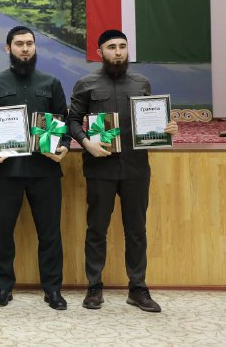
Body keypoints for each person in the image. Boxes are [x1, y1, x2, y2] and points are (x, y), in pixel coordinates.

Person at [68, 29, 178, 313]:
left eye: (122, 46)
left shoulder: (141, 83)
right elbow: (73, 121)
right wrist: (86, 143)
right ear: (100, 52)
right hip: (100, 167)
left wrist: (166, 129)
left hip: (135, 168)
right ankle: (94, 286)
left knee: (136, 230)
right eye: (111, 47)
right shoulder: (86, 84)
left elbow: (153, 121)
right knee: (96, 229)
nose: (118, 52)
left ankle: (138, 288)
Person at [0, 26, 70, 310]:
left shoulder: (51, 83)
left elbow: (64, 122)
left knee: (50, 233)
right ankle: (3, 287)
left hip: (45, 170)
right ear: (8, 48)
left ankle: (53, 289)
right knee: (2, 233)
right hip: (7, 171)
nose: (25, 48)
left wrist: (64, 147)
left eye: (30, 43)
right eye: (19, 44)